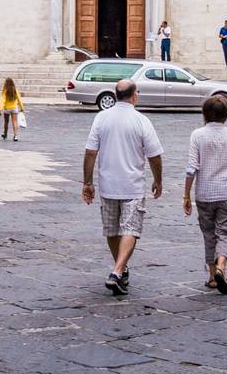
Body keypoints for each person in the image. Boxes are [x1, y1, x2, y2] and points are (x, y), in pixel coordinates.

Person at [82, 79, 163, 296]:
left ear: (116, 95)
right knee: (130, 229)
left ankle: (121, 269)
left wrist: (88, 183)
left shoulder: (101, 118)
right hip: (133, 185)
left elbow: (90, 152)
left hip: (108, 184)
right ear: (135, 95)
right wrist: (158, 180)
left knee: (112, 229)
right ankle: (117, 271)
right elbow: (154, 156)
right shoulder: (141, 120)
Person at [183, 93, 227, 294]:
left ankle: (212, 276)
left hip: (204, 194)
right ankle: (222, 265)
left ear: (205, 113)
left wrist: (186, 194)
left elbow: (191, 167)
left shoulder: (197, 135)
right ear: (226, 114)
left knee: (209, 234)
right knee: (225, 232)